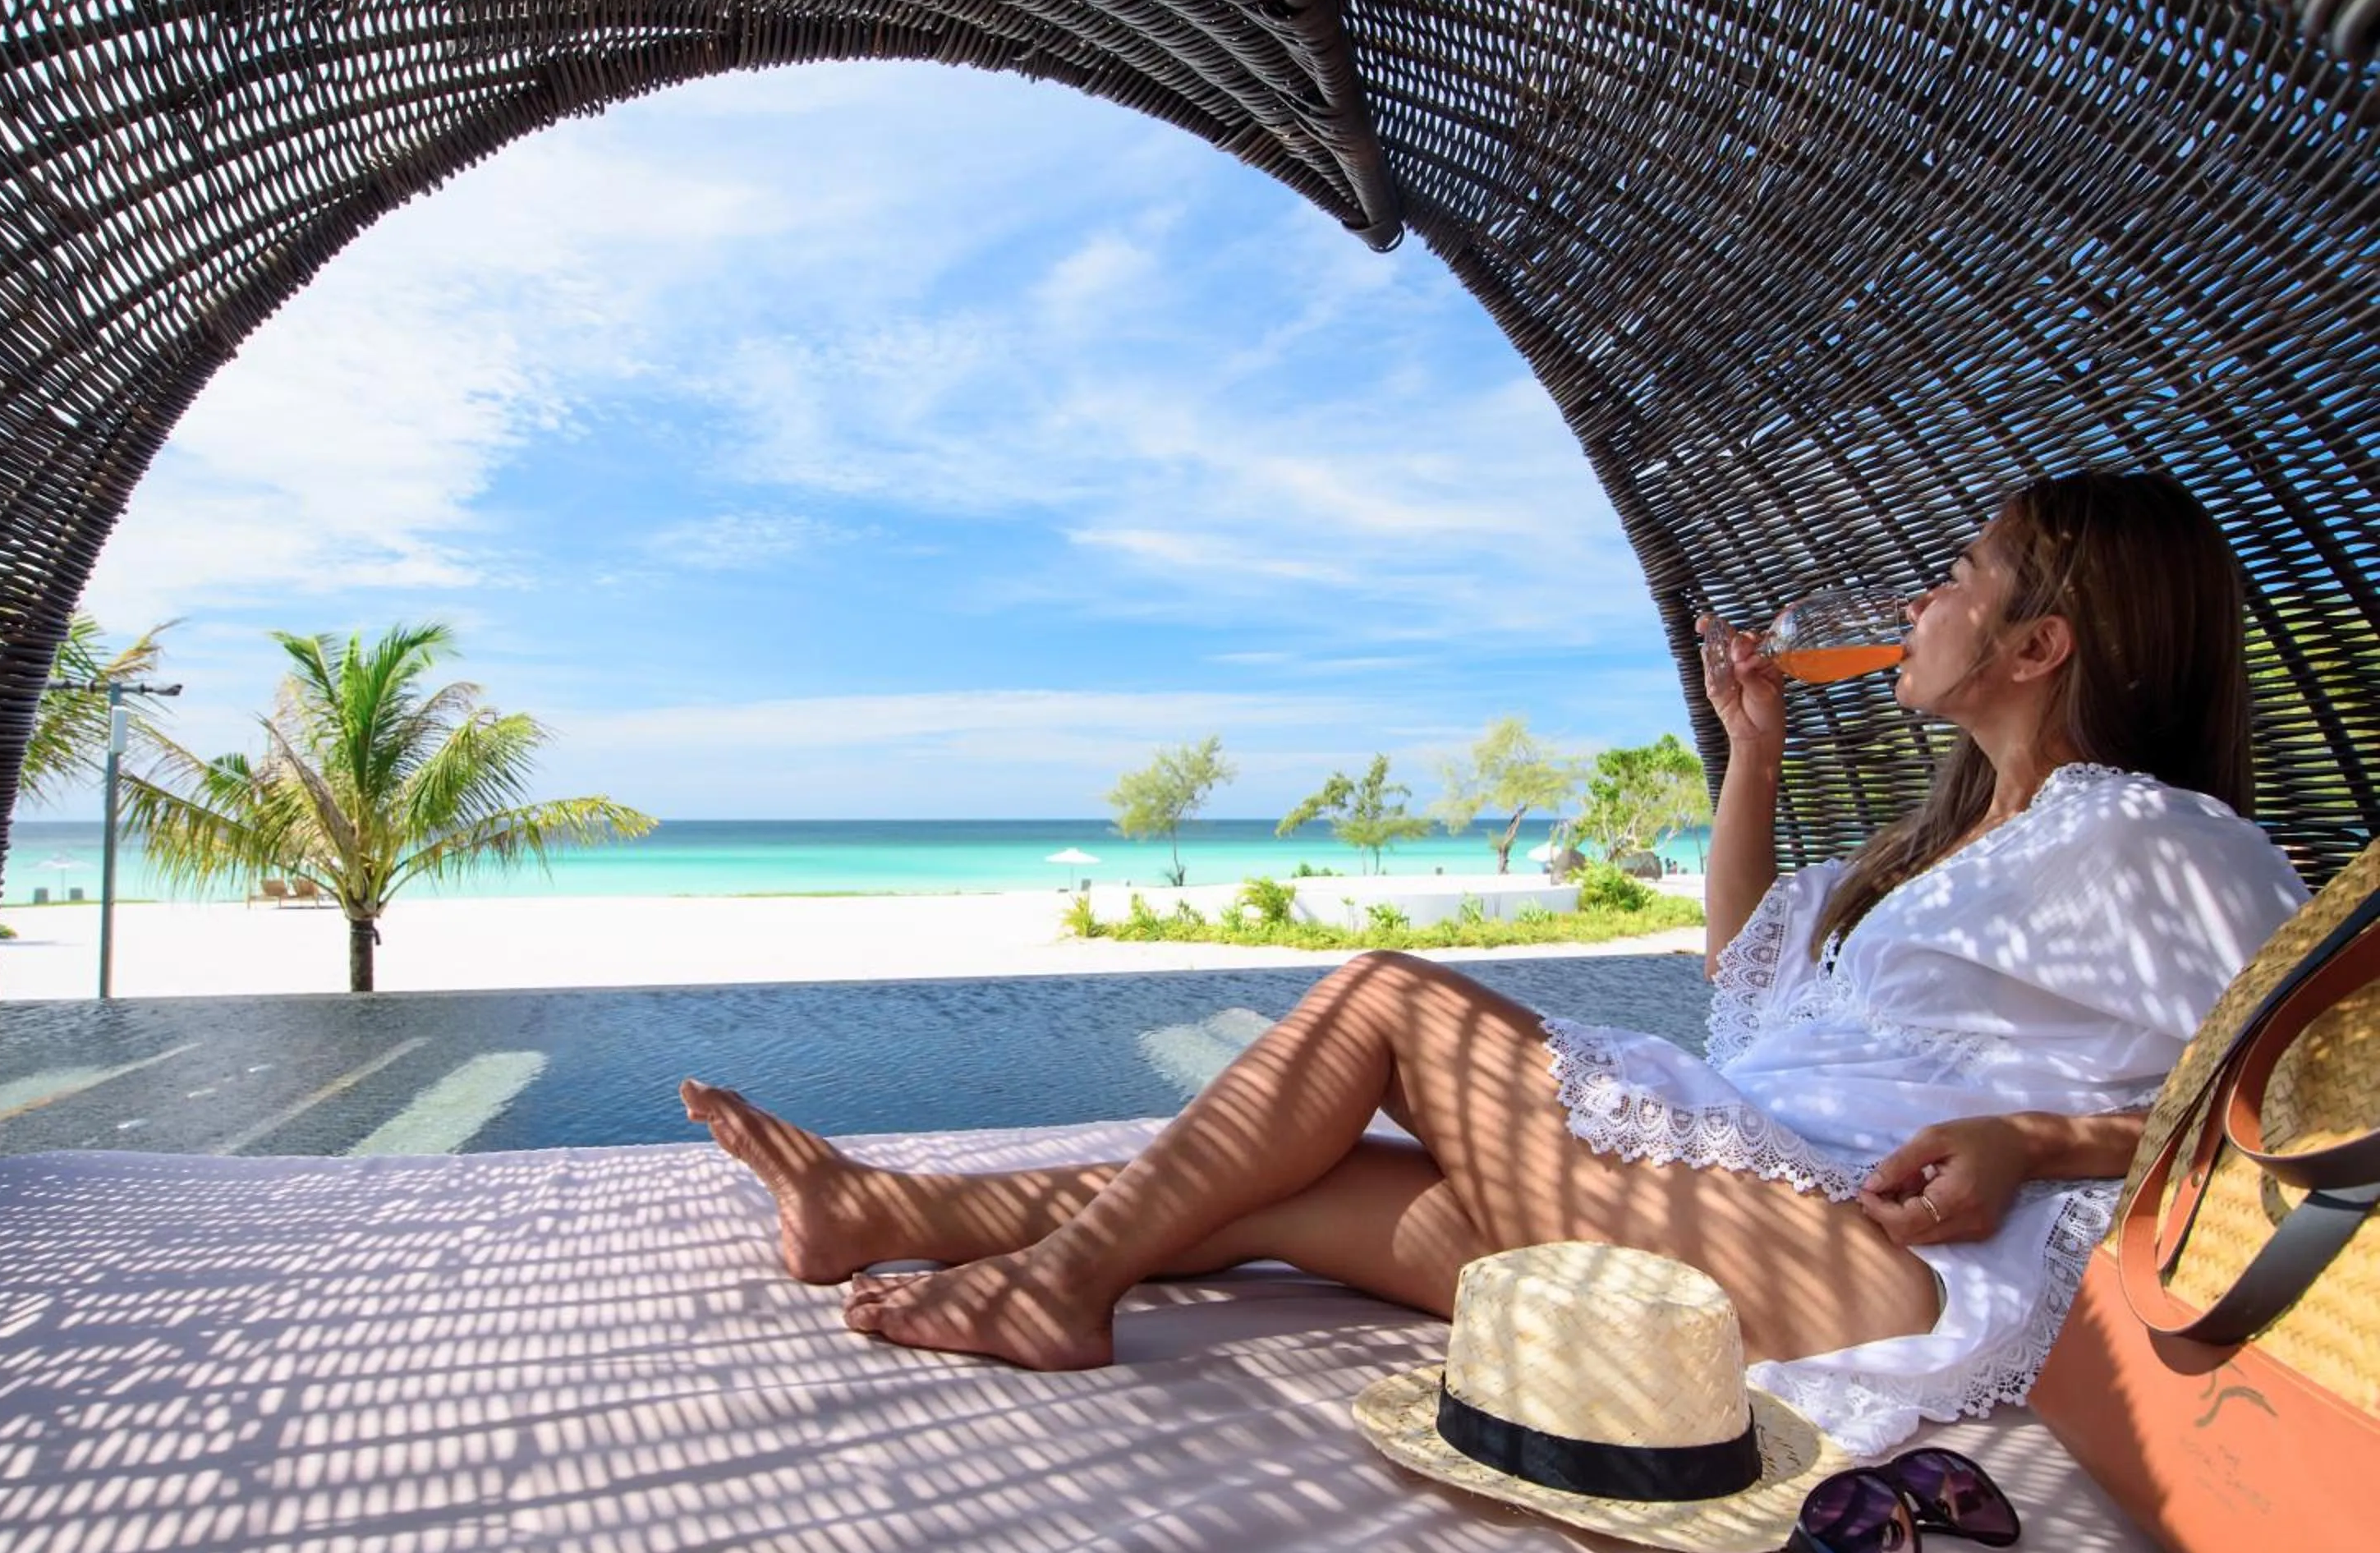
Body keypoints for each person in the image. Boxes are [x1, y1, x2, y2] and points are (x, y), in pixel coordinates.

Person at [682, 471, 2309, 1457]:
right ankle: (886, 1209)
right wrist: (1751, 747)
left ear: (2039, 643)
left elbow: (2294, 1099)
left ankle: (1057, 1288)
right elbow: (1743, 967)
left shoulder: (2160, 839)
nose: (1921, 596)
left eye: (1961, 574)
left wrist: (2040, 1138)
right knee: (1299, 1185)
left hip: (1869, 1254)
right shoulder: (1944, 844)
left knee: (1388, 999)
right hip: (1747, 1198)